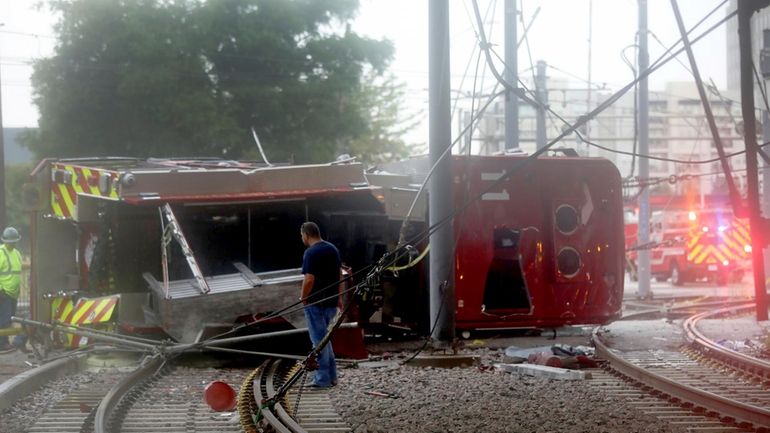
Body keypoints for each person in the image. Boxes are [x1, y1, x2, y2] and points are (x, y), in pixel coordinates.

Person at [300, 221, 341, 388]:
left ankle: (322, 379)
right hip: (331, 301)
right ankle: (332, 376)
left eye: (301, 235)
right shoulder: (332, 249)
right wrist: (338, 296)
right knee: (326, 340)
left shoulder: (311, 253)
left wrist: (303, 297)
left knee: (318, 342)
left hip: (315, 303)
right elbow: (339, 274)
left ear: (306, 235)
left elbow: (309, 279)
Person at [0, 227, 24, 351]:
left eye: (14, 241)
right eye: (11, 241)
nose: (13, 243)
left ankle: (5, 343)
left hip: (13, 293)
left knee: (9, 318)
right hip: (4, 292)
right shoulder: (1, 252)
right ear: (5, 241)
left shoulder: (17, 253)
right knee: (4, 319)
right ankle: (2, 344)